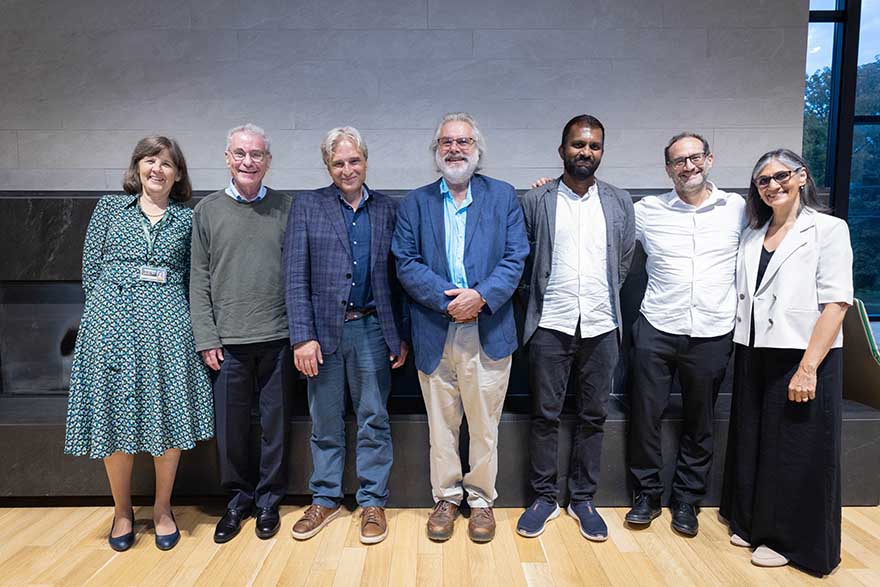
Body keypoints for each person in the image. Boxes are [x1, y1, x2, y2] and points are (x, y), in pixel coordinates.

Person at [64, 135, 214, 552]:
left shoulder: (188, 218)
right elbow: (90, 272)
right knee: (114, 417)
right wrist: (106, 318)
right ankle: (123, 510)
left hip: (168, 330)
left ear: (178, 173)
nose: (157, 169)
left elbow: (192, 277)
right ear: (137, 167)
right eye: (150, 161)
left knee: (166, 415)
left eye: (167, 163)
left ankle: (164, 508)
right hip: (111, 329)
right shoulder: (109, 209)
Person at [392, 112, 529, 543]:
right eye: (446, 142)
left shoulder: (503, 197)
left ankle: (482, 500)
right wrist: (449, 301)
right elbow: (406, 261)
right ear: (436, 152)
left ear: (477, 149)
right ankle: (447, 497)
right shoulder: (416, 203)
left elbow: (515, 257)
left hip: (488, 329)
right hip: (435, 328)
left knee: (485, 425)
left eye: (463, 141)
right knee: (442, 424)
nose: (455, 148)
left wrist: (481, 296)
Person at [721, 149, 851, 575]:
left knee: (796, 450)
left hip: (803, 353)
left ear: (801, 177)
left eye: (780, 176)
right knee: (756, 441)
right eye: (762, 181)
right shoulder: (753, 232)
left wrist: (808, 368)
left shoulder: (828, 229)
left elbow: (836, 302)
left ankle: (790, 541)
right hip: (755, 349)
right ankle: (754, 523)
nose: (772, 185)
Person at [285, 127, 409, 544]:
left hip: (374, 329)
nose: (347, 169)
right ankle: (325, 497)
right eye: (338, 163)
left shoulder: (389, 210)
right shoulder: (308, 206)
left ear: (366, 162)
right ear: (328, 166)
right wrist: (302, 337)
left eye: (354, 161)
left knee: (374, 417)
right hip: (322, 335)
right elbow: (294, 277)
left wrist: (399, 337)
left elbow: (399, 279)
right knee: (325, 420)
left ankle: (372, 501)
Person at [516, 115, 635, 541]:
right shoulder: (536, 200)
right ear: (562, 148)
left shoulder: (620, 202)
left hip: (602, 325)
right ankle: (544, 498)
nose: (586, 152)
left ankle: (583, 499)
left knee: (593, 415)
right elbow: (521, 261)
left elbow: (622, 263)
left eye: (594, 146)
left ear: (601, 152)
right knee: (545, 415)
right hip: (550, 323)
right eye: (578, 144)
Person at [625, 133, 745, 536]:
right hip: (657, 326)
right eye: (678, 161)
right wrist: (543, 189)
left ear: (710, 159)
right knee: (645, 415)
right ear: (668, 169)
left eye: (695, 158)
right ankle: (646, 495)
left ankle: (687, 501)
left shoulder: (738, 208)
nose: (688, 166)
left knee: (700, 419)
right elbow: (603, 220)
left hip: (713, 329)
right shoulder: (647, 210)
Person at [189, 123, 293, 543]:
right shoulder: (207, 211)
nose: (248, 161)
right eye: (240, 154)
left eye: (257, 155)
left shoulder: (287, 207)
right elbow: (197, 278)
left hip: (279, 336)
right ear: (228, 158)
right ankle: (238, 500)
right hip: (227, 341)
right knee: (231, 428)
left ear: (268, 161)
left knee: (276, 424)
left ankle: (269, 500)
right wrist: (206, 336)